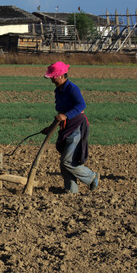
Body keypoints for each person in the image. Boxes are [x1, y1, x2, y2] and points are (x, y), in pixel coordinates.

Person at [41, 61, 99, 194]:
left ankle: (92, 176)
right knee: (64, 163)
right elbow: (60, 113)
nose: (51, 80)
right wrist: (50, 127)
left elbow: (81, 105)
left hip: (76, 126)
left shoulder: (72, 88)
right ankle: (71, 190)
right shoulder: (59, 91)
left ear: (60, 76)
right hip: (66, 127)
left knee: (67, 161)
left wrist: (66, 116)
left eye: (53, 77)